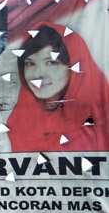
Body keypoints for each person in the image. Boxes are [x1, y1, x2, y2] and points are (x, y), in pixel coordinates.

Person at [7, 22, 109, 152]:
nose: (37, 74)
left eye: (51, 62)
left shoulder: (101, 115)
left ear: (75, 65)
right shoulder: (20, 120)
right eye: (30, 63)